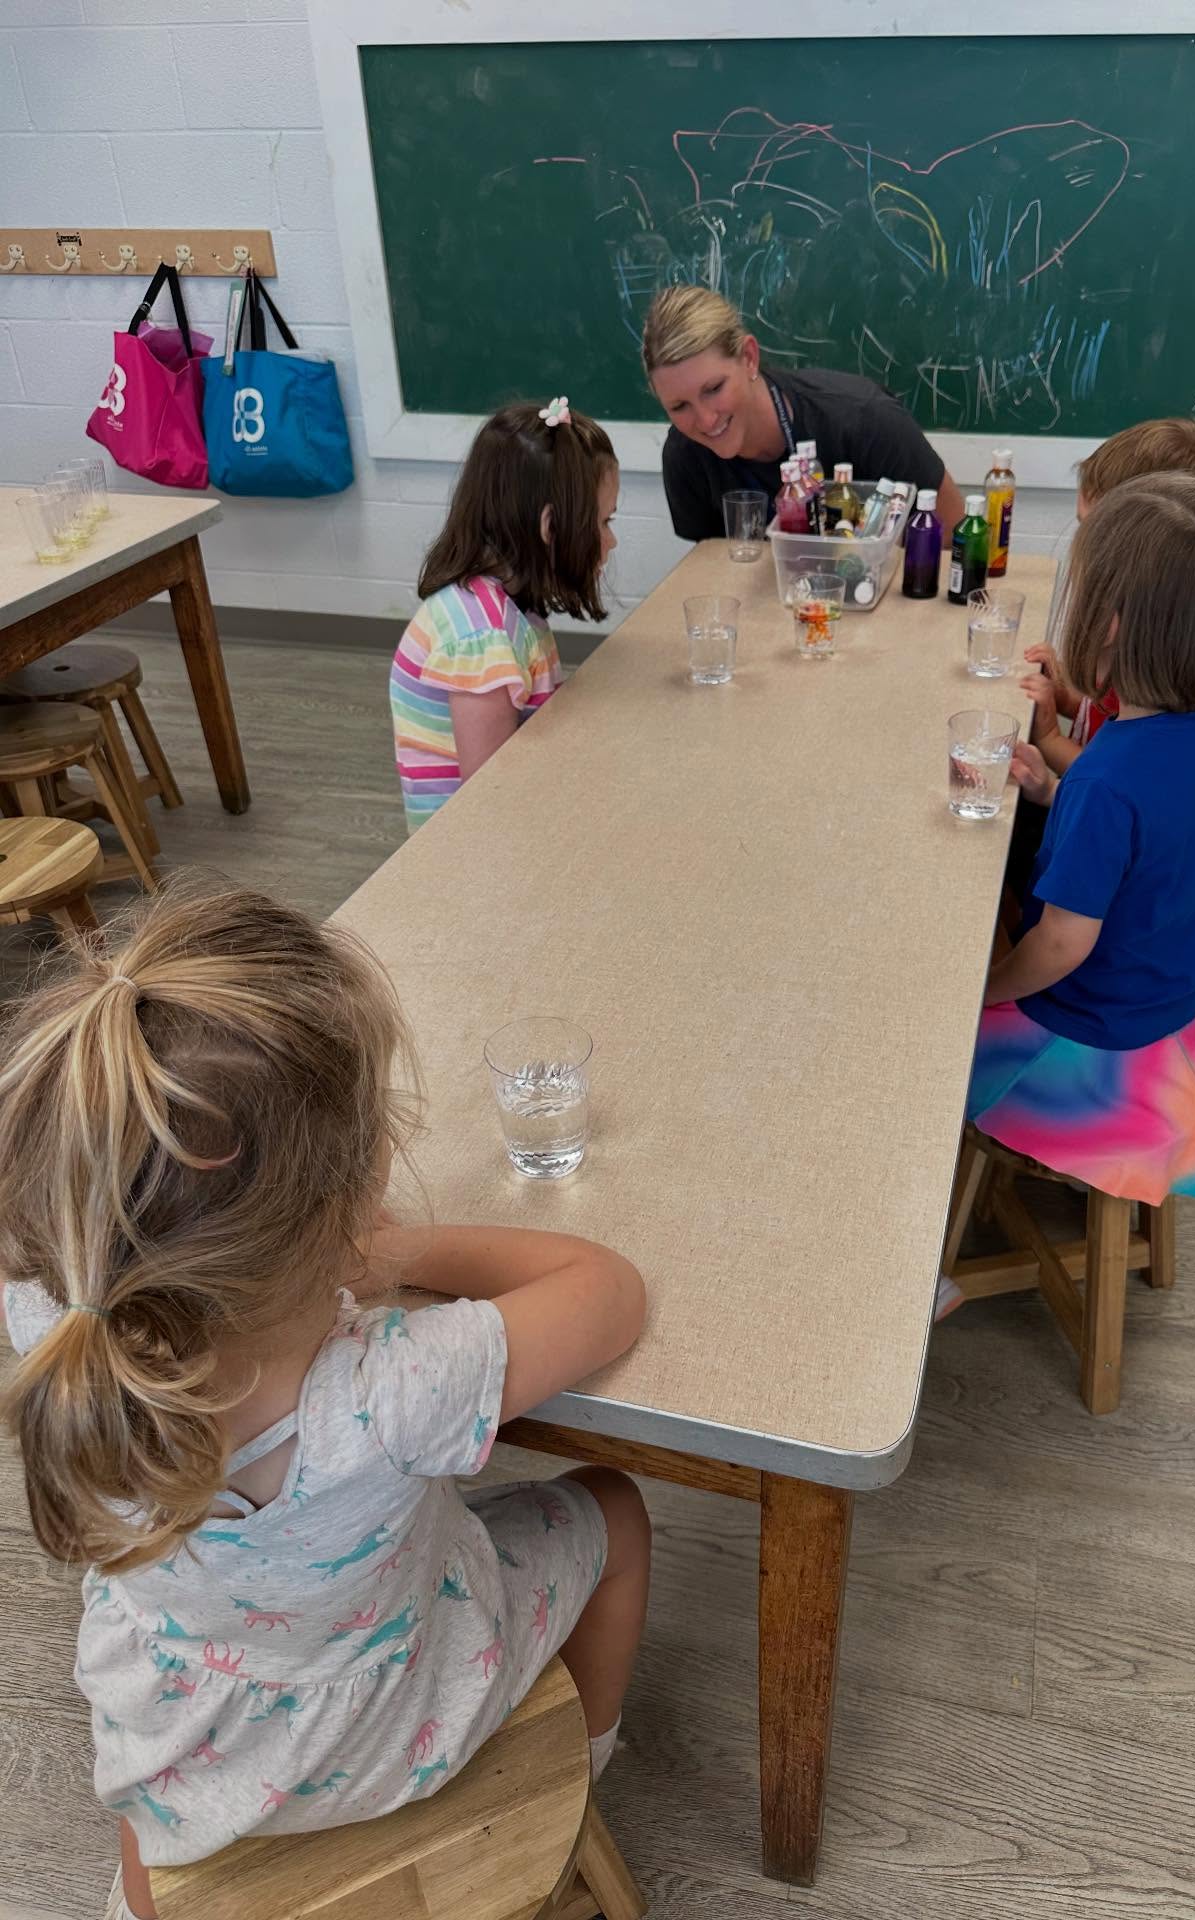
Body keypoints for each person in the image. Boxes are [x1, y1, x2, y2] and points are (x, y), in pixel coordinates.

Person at [0, 883, 650, 1918]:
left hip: (169, 1746)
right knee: (612, 1509)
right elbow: (609, 1294)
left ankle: (136, 1903)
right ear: (348, 1202)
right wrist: (397, 1250)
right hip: (397, 1738)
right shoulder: (394, 1384)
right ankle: (592, 1754)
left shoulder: (52, 1317)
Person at [963, 476, 1195, 1214]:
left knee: (921, 1037)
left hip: (1086, 1041)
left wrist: (978, 996)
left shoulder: (1111, 778)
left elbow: (1060, 949)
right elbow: (1164, 832)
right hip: (1167, 1013)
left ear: (1111, 623)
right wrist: (1057, 794)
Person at [1003, 417, 1195, 905]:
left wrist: (1048, 739)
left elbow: (1110, 774)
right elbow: (1106, 725)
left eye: (1090, 536)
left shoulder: (1152, 687)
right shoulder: (1162, 655)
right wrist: (1068, 698)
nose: (1080, 558)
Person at [390, 399, 619, 834]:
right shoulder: (482, 641)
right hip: (469, 858)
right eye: (604, 522)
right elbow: (492, 801)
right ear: (550, 528)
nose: (611, 541)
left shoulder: (510, 602)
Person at [642, 285, 965, 541]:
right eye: (679, 406)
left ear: (749, 358)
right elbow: (713, 566)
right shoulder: (685, 453)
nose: (706, 420)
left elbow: (953, 530)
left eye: (713, 389)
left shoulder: (865, 418)